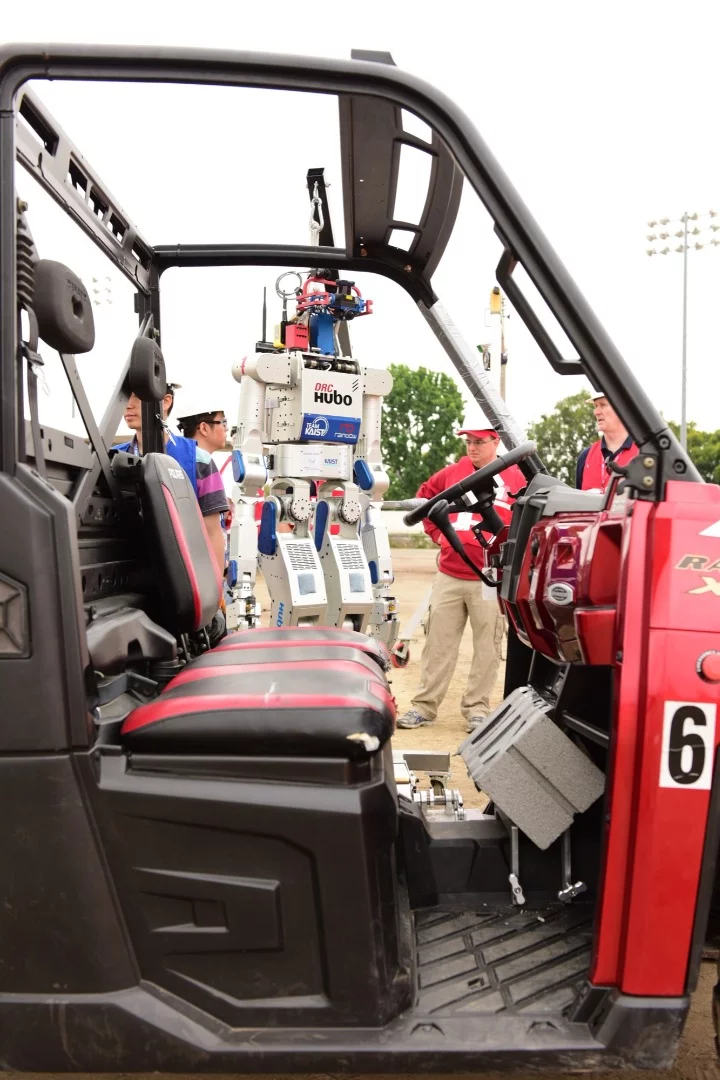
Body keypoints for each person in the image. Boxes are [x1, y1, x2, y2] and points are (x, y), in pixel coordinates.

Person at [397, 427, 525, 733]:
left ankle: (477, 709)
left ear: (496, 441)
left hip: (489, 577)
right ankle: (424, 706)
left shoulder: (516, 477)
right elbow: (422, 503)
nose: (472, 447)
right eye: (468, 441)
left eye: (479, 441)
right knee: (439, 643)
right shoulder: (450, 474)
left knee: (487, 645)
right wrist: (438, 533)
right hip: (450, 573)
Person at [115, 386, 229, 578]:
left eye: (137, 396)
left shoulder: (199, 461)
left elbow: (212, 533)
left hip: (184, 582)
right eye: (126, 396)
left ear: (166, 401)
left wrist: (215, 591)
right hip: (127, 583)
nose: (128, 405)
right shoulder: (113, 458)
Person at [576, 390, 638, 491]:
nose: (596, 412)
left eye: (603, 405)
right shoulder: (585, 457)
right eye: (595, 406)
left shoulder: (645, 454)